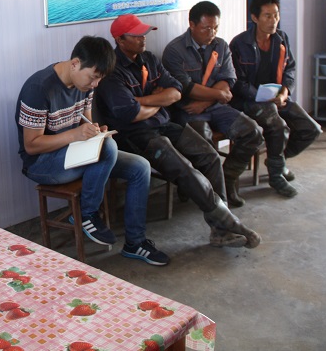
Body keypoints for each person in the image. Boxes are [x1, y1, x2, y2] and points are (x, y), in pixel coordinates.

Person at [96, 14, 261, 249]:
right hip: (135, 135)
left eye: (144, 33)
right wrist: (158, 100)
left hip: (164, 124)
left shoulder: (149, 59)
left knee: (210, 156)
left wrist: (143, 101)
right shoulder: (112, 71)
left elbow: (176, 91)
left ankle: (220, 230)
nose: (143, 38)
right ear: (120, 40)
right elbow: (130, 113)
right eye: (137, 35)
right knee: (185, 169)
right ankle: (228, 222)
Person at [15, 35, 170, 265]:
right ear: (75, 63)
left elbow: (85, 122)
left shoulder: (84, 84)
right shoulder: (38, 88)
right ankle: (87, 213)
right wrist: (75, 135)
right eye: (93, 77)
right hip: (42, 163)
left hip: (75, 153)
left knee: (140, 167)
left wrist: (95, 131)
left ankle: (135, 243)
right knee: (107, 148)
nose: (95, 85)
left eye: (99, 79)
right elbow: (31, 145)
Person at [162, 1, 264, 207]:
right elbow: (186, 88)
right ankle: (202, 189)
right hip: (188, 110)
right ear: (192, 25)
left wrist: (208, 100)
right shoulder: (174, 50)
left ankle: (228, 178)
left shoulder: (221, 45)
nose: (212, 33)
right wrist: (217, 95)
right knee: (202, 141)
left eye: (215, 27)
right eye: (206, 28)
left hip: (215, 106)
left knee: (252, 132)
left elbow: (228, 79)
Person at [229, 0, 322, 197]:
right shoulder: (239, 44)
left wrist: (284, 92)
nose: (273, 21)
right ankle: (277, 176)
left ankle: (277, 162)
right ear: (255, 18)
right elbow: (236, 82)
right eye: (267, 16)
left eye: (276, 15)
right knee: (278, 126)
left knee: (311, 129)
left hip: (276, 98)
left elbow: (290, 69)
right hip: (248, 101)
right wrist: (260, 96)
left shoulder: (281, 38)